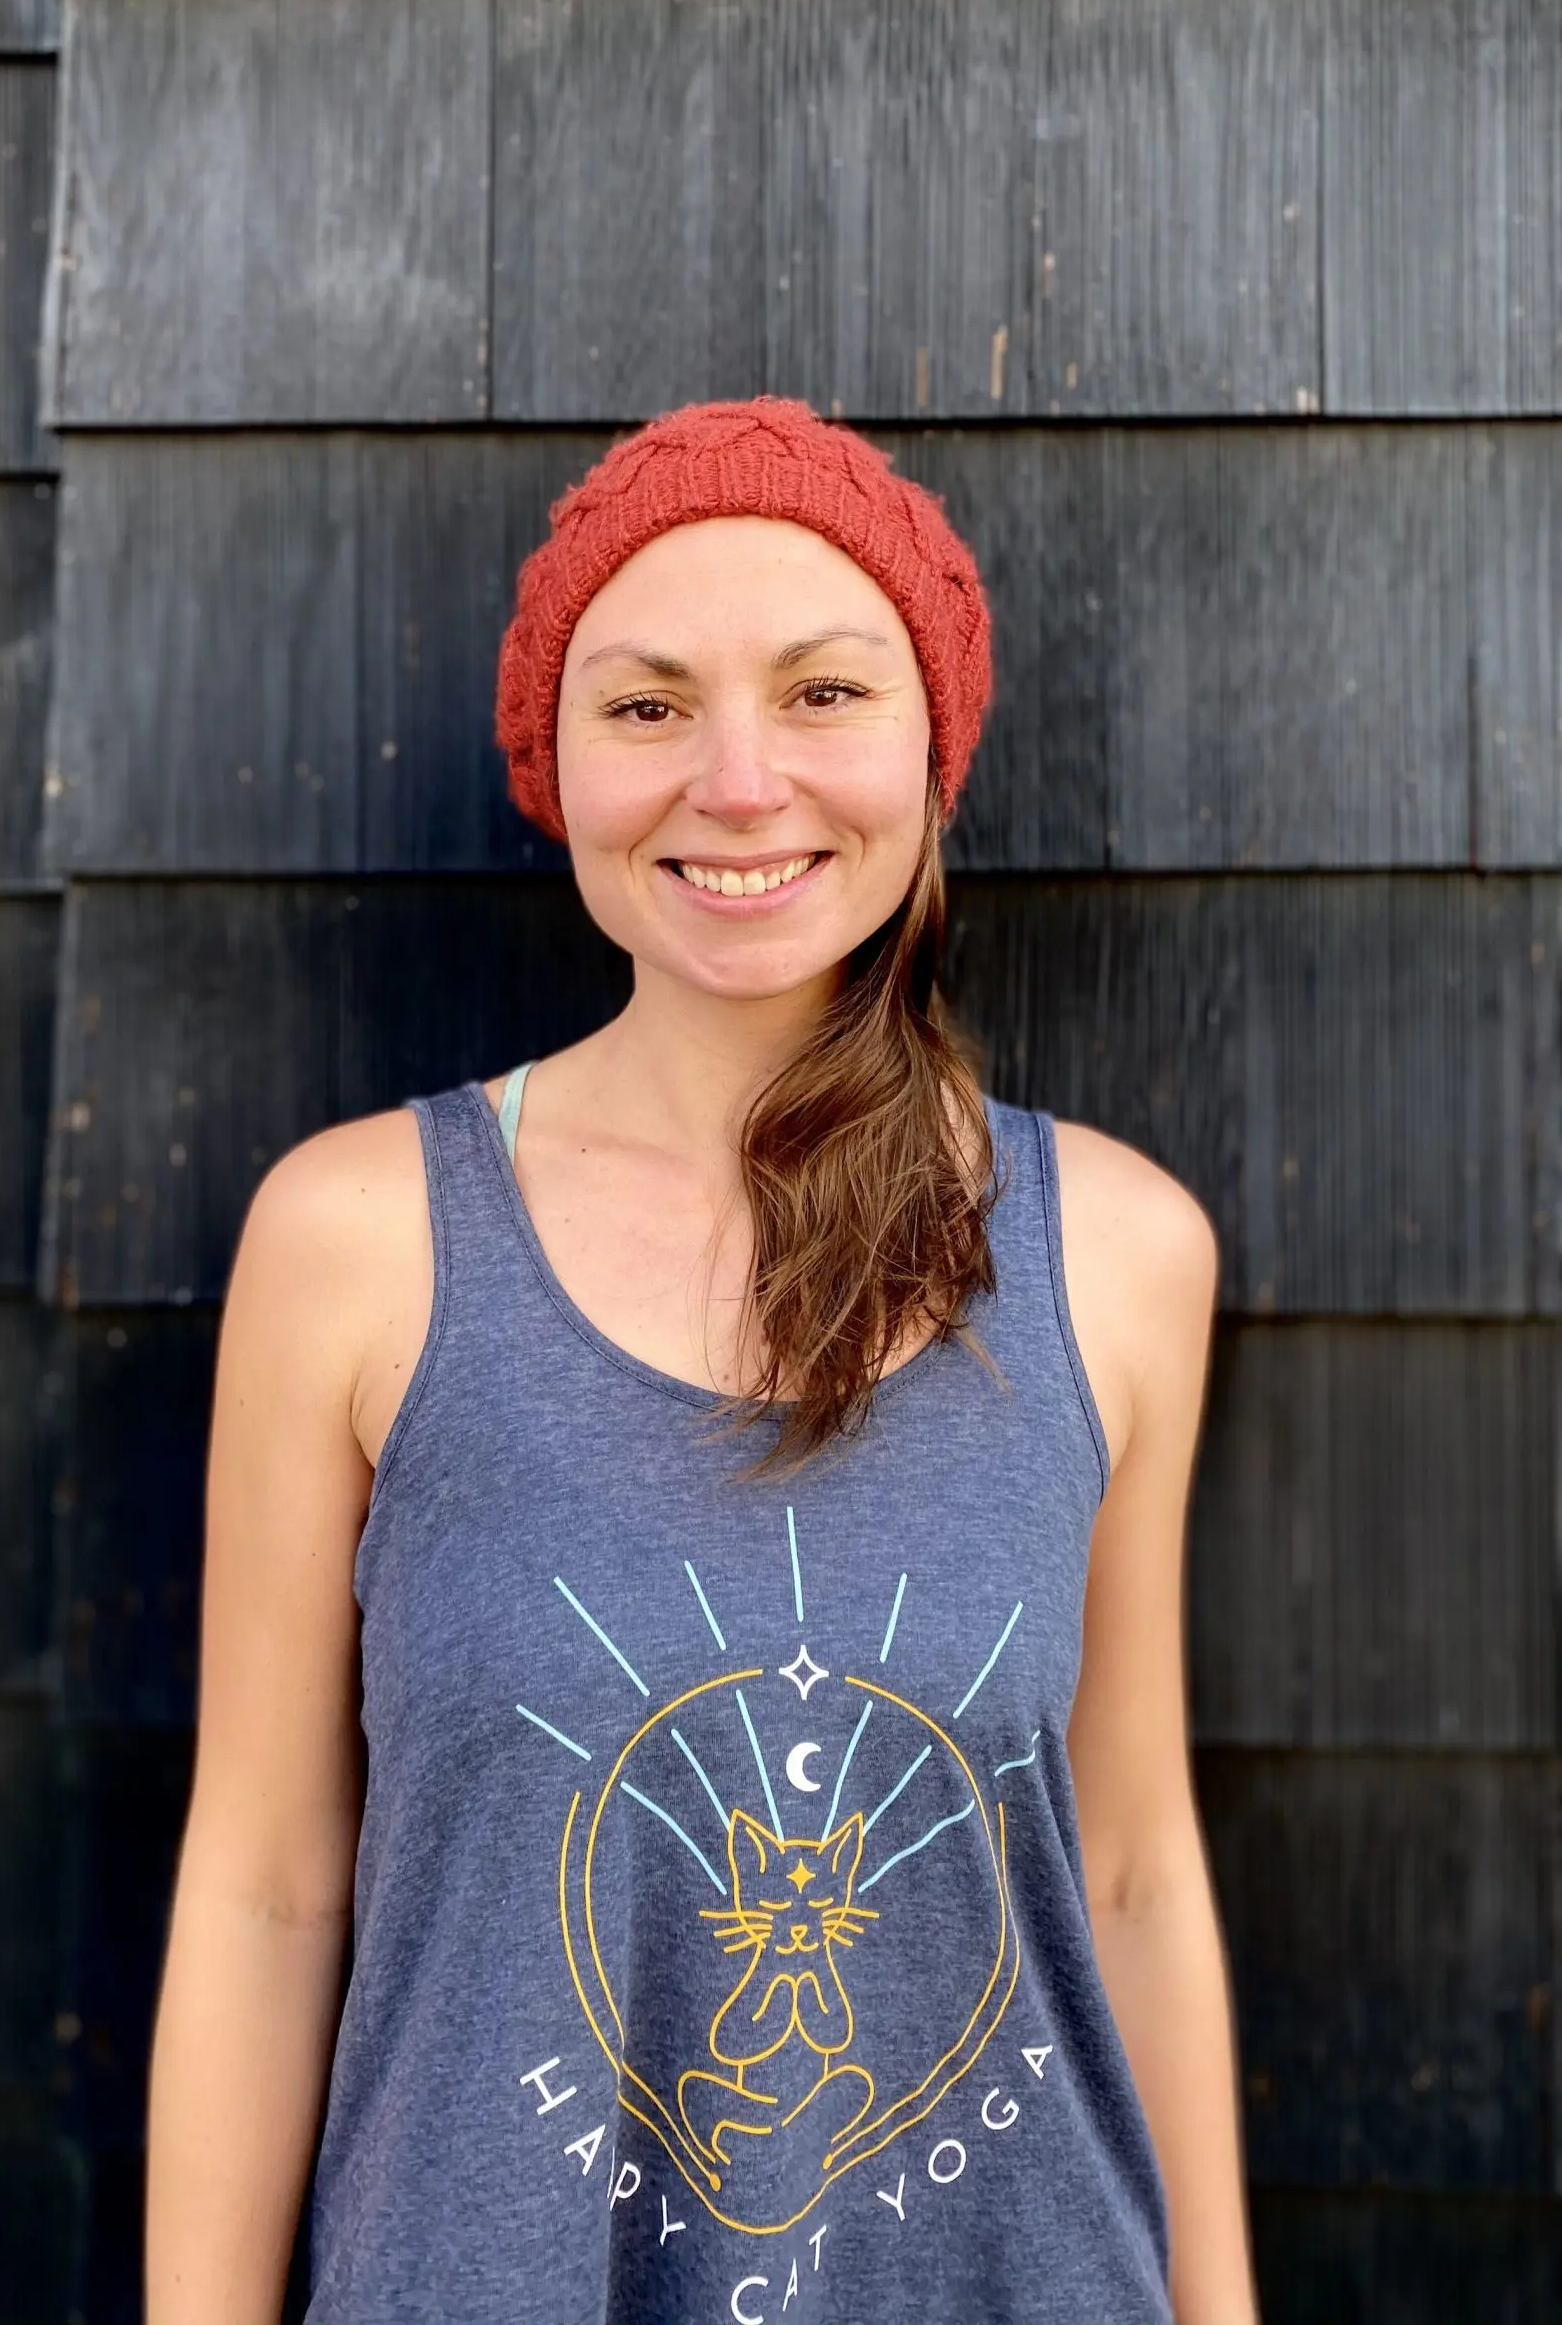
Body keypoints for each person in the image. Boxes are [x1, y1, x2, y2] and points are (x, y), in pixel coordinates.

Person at [144, 396, 1260, 2324]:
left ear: (932, 748)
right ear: (556, 765)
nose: (739, 781)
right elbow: (261, 1888)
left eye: (823, 691)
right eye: (647, 705)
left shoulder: (1126, 1260)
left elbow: (1138, 1874)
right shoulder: (357, 1245)